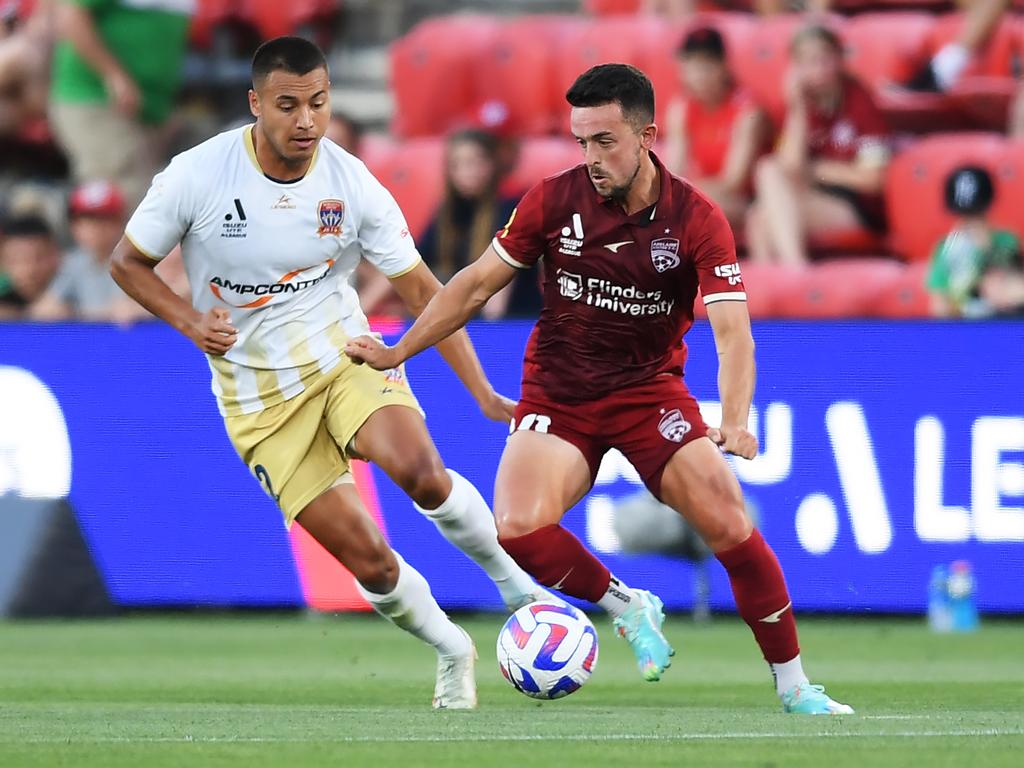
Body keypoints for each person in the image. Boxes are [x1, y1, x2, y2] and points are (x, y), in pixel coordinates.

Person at [346, 63, 854, 715]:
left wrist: (736, 418)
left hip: (649, 394)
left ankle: (795, 686)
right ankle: (627, 604)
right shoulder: (553, 201)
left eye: (604, 141)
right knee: (519, 527)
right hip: (559, 394)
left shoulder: (696, 218)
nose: (590, 157)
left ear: (648, 135)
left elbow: (733, 334)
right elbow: (472, 286)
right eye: (580, 141)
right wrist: (398, 349)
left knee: (730, 524)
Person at [109, 36, 545, 709]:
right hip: (259, 405)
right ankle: (452, 647)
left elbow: (426, 293)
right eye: (288, 105)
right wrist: (191, 322)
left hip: (343, 358)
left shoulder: (350, 182)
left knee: (421, 472)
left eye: (318, 102)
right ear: (256, 104)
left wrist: (483, 392)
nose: (306, 120)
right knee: (369, 559)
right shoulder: (196, 175)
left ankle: (515, 586)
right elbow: (126, 263)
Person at [746, 25, 891, 267]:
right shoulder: (797, 105)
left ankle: (795, 274)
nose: (817, 66)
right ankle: (785, 285)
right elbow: (790, 167)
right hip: (814, 195)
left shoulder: (859, 101)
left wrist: (818, 170)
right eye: (806, 61)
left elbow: (874, 179)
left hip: (856, 205)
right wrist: (799, 108)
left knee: (765, 218)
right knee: (762, 197)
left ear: (839, 59)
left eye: (823, 57)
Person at [49, 0, 193, 207]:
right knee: (123, 193)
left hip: (152, 108)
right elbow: (70, 15)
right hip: (96, 98)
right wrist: (114, 75)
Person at [417, 129, 541, 319]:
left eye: (474, 162)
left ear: (492, 164)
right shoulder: (446, 213)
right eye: (458, 164)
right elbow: (413, 261)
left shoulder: (510, 207)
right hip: (463, 317)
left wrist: (491, 325)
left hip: (514, 320)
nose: (468, 172)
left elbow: (503, 274)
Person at [664, 26, 766, 230]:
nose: (699, 76)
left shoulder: (746, 111)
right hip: (703, 195)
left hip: (746, 203)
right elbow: (672, 171)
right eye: (692, 67)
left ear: (724, 66)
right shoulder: (681, 109)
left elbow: (734, 181)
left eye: (706, 66)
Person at [31, 179, 147, 322]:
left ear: (122, 222)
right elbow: (44, 309)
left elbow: (140, 309)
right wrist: (66, 312)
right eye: (87, 219)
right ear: (74, 226)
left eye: (104, 219)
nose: (95, 228)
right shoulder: (74, 262)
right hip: (90, 340)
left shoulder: (140, 257)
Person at [927, 165, 1024, 318]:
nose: (972, 223)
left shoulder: (1007, 240)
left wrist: (987, 250)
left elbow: (1016, 293)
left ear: (988, 207)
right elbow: (940, 308)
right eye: (965, 216)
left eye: (977, 214)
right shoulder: (946, 248)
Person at [0, 214, 60, 319]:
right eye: (18, 260)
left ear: (57, 256)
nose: (30, 270)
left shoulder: (79, 298)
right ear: (3, 263)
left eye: (39, 258)